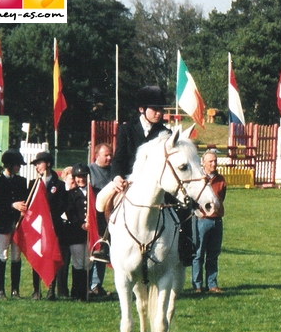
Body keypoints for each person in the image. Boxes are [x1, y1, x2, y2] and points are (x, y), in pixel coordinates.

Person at [93, 86, 196, 266]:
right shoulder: (127, 129)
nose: (159, 113)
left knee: (182, 204)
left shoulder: (166, 133)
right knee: (101, 199)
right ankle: (105, 244)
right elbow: (119, 158)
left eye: (161, 109)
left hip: (158, 183)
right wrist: (117, 177)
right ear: (142, 109)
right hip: (129, 180)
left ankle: (185, 244)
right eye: (155, 109)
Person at [21, 151, 68, 300]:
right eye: (35, 165)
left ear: (47, 163)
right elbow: (29, 206)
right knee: (37, 253)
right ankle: (36, 289)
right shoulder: (33, 184)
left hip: (53, 226)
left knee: (51, 255)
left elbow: (62, 205)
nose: (36, 167)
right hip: (37, 226)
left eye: (39, 163)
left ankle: (51, 290)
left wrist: (49, 214)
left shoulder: (59, 185)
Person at [0, 149, 28, 298]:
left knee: (16, 256)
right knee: (2, 254)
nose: (19, 167)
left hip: (19, 223)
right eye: (17, 164)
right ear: (10, 165)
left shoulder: (21, 181)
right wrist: (12, 205)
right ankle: (0, 289)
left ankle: (15, 289)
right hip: (3, 222)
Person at [191, 150, 227, 293]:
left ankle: (212, 284)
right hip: (201, 220)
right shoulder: (198, 179)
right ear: (203, 163)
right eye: (210, 161)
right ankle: (197, 285)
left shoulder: (221, 179)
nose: (213, 163)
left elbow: (221, 197)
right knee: (198, 254)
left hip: (217, 221)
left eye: (215, 161)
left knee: (213, 254)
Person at [64, 163, 93, 301]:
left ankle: (86, 291)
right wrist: (81, 224)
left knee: (88, 262)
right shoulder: (70, 194)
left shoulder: (94, 192)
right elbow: (70, 213)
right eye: (78, 177)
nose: (81, 179)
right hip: (76, 232)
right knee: (77, 262)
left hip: (90, 232)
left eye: (83, 176)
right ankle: (76, 292)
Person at [87, 143, 112, 296]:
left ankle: (97, 285)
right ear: (97, 155)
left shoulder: (114, 171)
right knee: (91, 252)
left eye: (110, 155)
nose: (109, 158)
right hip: (93, 218)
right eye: (106, 155)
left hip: (109, 219)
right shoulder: (89, 171)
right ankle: (86, 285)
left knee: (103, 251)